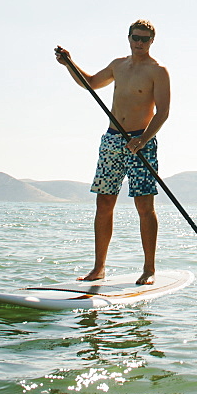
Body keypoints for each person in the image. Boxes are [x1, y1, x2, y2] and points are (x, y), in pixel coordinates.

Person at [55, 20, 170, 285]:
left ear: (152, 41)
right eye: (135, 38)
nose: (139, 43)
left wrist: (142, 140)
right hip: (112, 141)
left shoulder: (158, 71)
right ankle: (99, 269)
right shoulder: (119, 65)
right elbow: (92, 83)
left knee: (144, 204)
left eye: (144, 39)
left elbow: (163, 112)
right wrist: (69, 64)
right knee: (104, 203)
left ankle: (149, 269)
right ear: (128, 38)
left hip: (142, 141)